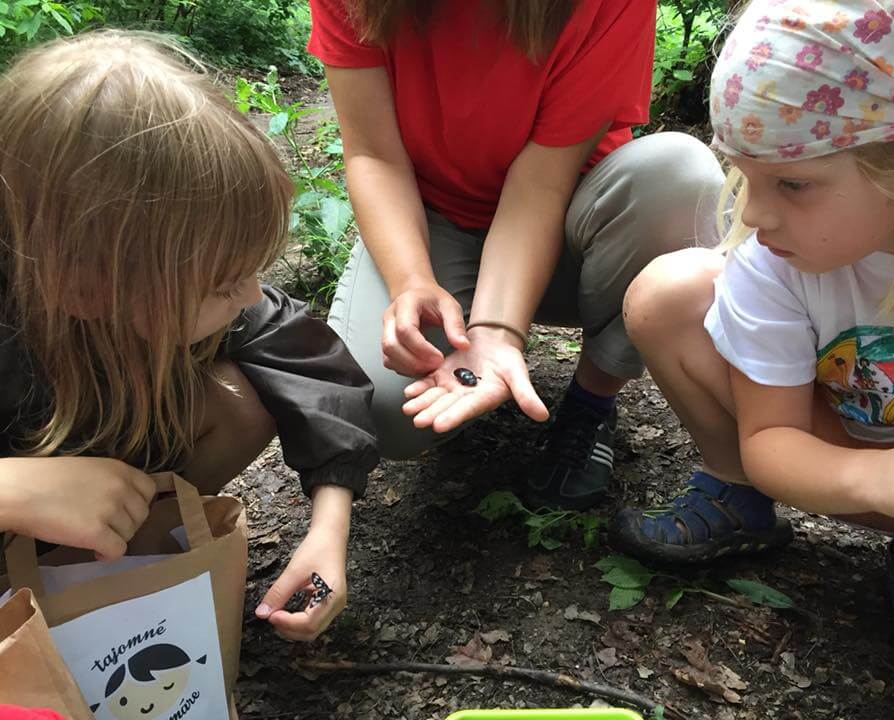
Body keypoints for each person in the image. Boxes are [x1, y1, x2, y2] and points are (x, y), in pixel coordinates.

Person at [609, 1, 894, 717]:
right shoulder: (775, 259)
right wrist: (886, 477)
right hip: (852, 461)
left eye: (793, 184)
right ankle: (734, 493)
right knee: (669, 296)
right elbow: (772, 438)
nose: (756, 215)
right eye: (745, 176)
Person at [0, 31, 378, 642]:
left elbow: (298, 350)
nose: (251, 295)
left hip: (75, 475)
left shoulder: (127, 270)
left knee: (240, 398)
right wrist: (9, 490)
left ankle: (105, 585)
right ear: (87, 289)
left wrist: (329, 527)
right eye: (224, 284)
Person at [308, 0, 725, 510]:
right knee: (381, 410)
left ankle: (592, 401)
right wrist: (411, 281)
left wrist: (496, 330)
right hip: (433, 218)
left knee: (679, 174)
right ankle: (465, 358)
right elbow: (374, 154)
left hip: (574, 220)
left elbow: (540, 183)